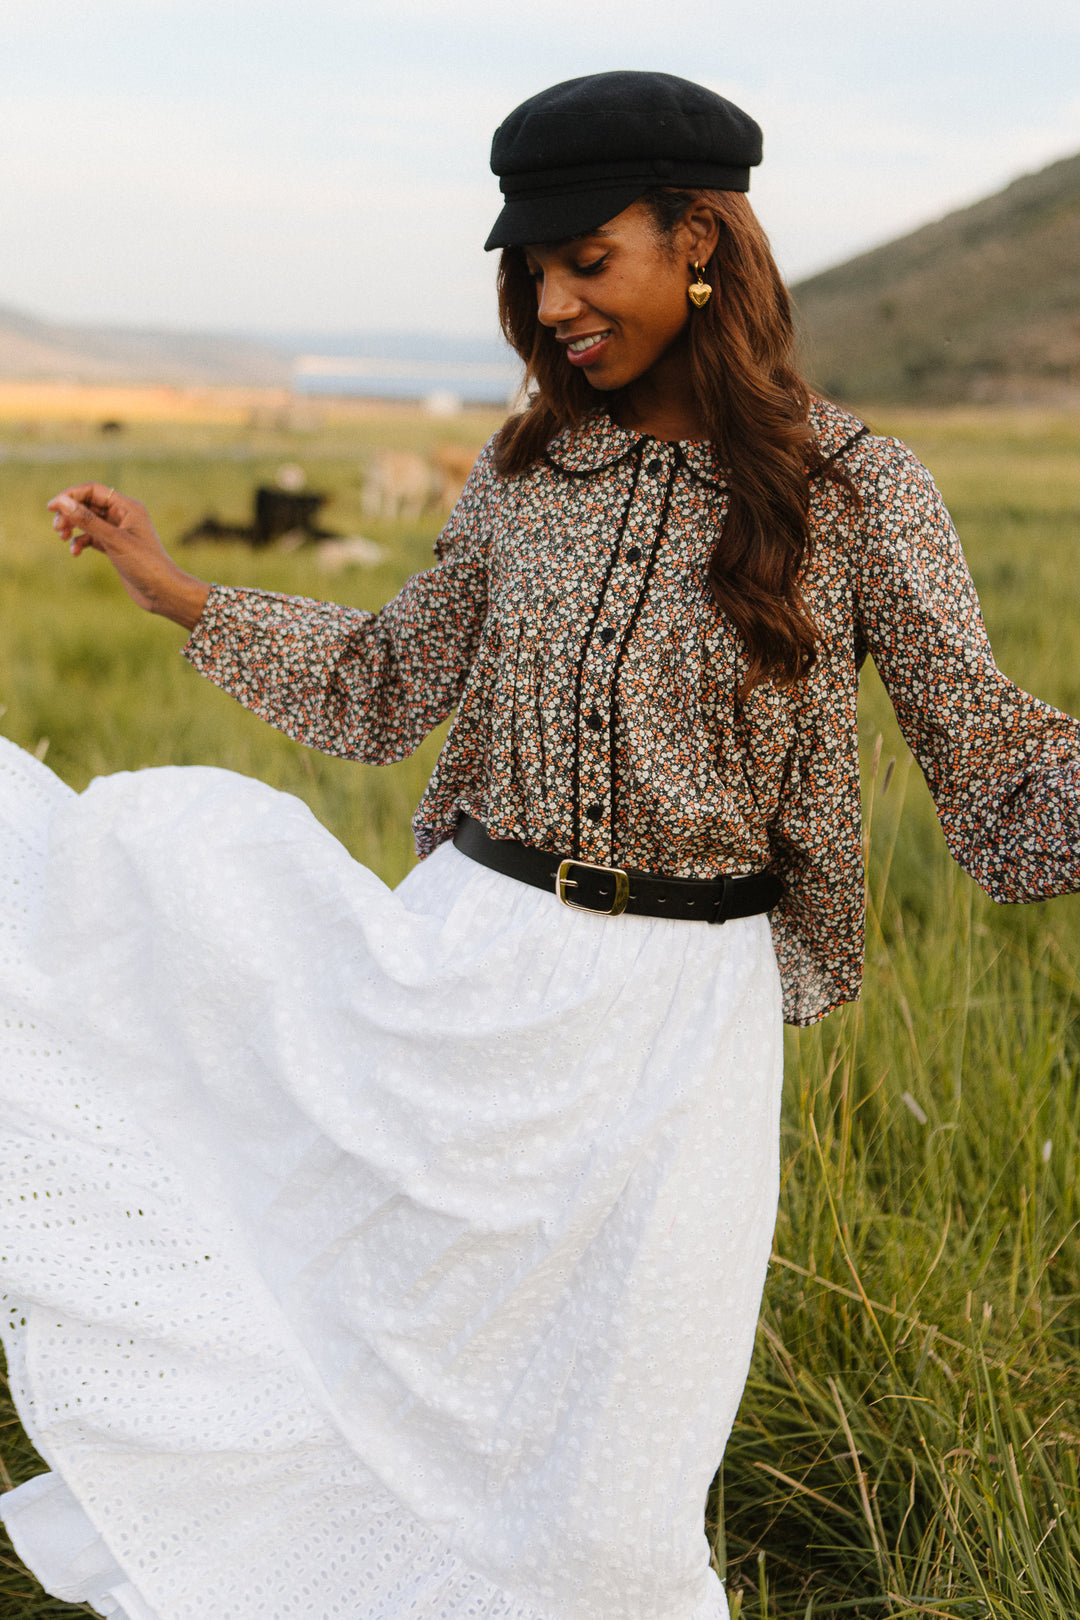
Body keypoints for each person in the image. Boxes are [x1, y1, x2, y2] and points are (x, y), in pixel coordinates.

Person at [1, 68, 1077, 1620]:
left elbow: (994, 777)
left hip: (678, 1029)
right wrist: (179, 591)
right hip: (467, 975)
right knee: (371, 1366)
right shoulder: (522, 474)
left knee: (615, 1470)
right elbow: (389, 687)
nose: (555, 302)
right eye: (530, 269)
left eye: (588, 257)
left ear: (700, 237)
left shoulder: (858, 490)